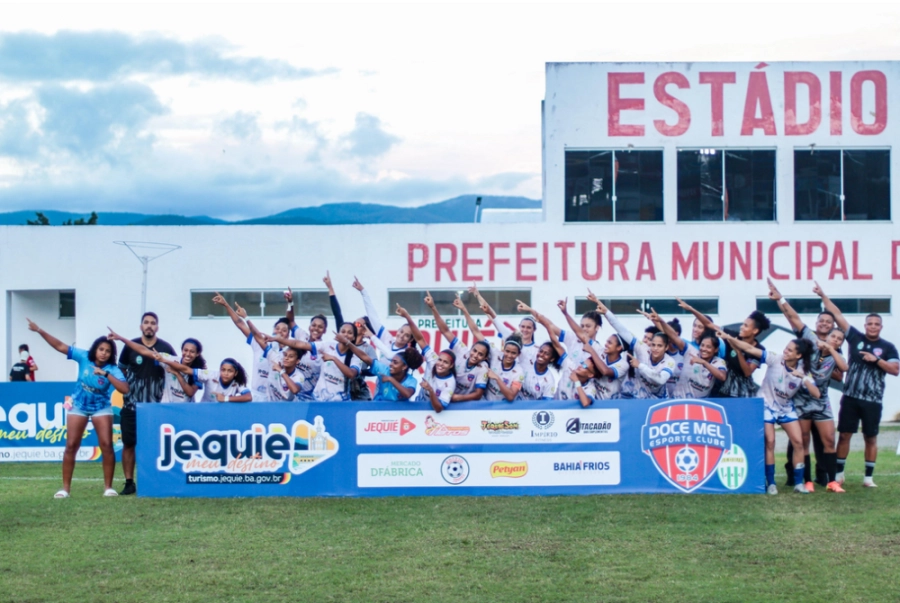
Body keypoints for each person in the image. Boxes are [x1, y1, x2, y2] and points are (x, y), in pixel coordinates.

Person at [27, 319, 128, 498]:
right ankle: (65, 489)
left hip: (101, 407)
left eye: (108, 351)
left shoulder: (113, 369)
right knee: (71, 445)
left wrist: (106, 374)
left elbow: (125, 389)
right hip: (78, 406)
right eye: (101, 349)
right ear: (95, 349)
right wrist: (39, 330)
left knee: (106, 445)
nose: (104, 353)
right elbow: (60, 346)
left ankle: (108, 488)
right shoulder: (84, 357)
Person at [814, 281, 899, 488]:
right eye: (870, 323)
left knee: (871, 437)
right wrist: (823, 296)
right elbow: (837, 314)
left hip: (873, 400)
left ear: (881, 327)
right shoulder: (855, 338)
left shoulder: (888, 347)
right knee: (844, 435)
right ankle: (839, 474)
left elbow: (895, 370)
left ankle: (868, 478)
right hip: (850, 397)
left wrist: (876, 360)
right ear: (865, 325)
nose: (873, 326)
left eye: (876, 324)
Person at [768, 279, 848, 493]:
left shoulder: (836, 352)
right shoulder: (809, 338)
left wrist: (831, 350)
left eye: (837, 336)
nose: (826, 325)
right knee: (800, 441)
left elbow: (843, 369)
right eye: (822, 321)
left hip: (821, 401)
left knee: (828, 440)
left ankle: (830, 481)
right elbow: (794, 318)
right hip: (801, 400)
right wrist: (780, 299)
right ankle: (805, 481)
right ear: (818, 324)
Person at [719, 330, 819, 495]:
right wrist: (729, 338)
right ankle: (771, 483)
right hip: (766, 405)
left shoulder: (803, 370)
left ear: (799, 355)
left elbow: (817, 394)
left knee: (799, 442)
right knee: (770, 442)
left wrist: (803, 378)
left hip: (785, 408)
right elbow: (750, 349)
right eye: (786, 348)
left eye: (789, 350)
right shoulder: (774, 358)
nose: (785, 351)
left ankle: (798, 483)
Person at [117, 312, 176, 496]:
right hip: (131, 405)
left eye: (153, 323)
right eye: (146, 322)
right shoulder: (130, 347)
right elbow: (121, 370)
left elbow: (174, 370)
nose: (149, 325)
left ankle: (156, 481)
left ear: (157, 327)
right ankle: (129, 483)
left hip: (156, 407)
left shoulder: (165, 347)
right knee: (129, 444)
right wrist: (131, 387)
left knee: (156, 445)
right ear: (141, 326)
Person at [679, 299, 769, 398]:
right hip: (725, 388)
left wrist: (738, 351)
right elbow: (709, 324)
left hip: (743, 392)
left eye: (746, 326)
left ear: (755, 331)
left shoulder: (758, 349)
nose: (741, 327)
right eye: (743, 324)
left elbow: (747, 372)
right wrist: (691, 309)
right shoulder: (732, 335)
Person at [597, 300, 676, 399]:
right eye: (653, 345)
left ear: (666, 347)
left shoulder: (670, 362)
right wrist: (606, 312)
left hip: (659, 401)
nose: (655, 348)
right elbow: (623, 331)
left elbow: (661, 380)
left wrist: (640, 365)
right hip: (639, 400)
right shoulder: (643, 348)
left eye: (659, 346)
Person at [423, 292, 489, 403]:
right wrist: (433, 307)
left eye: (480, 354)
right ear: (471, 348)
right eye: (474, 351)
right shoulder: (462, 350)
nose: (475, 355)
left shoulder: (483, 367)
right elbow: (445, 331)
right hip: (444, 400)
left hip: (465, 405)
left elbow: (478, 394)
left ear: (484, 358)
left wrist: (457, 398)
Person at [107, 330, 203, 403]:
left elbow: (190, 393)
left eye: (192, 351)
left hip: (185, 410)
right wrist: (121, 338)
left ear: (197, 353)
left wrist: (177, 374)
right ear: (181, 350)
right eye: (185, 350)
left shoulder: (198, 371)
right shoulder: (170, 359)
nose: (188, 354)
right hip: (167, 408)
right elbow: (143, 350)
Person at [652, 312, 727, 398]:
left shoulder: (719, 361)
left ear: (716, 349)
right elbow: (673, 336)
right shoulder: (691, 351)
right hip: (679, 400)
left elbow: (722, 377)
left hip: (700, 403)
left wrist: (704, 362)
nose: (704, 349)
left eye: (708, 347)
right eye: (702, 345)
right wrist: (660, 321)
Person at [340, 334, 423, 401]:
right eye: (391, 361)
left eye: (395, 362)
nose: (391, 364)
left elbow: (408, 394)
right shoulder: (384, 370)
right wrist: (348, 343)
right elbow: (365, 357)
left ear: (404, 367)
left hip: (400, 413)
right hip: (379, 409)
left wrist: (391, 379)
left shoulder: (411, 381)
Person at [159, 356, 252, 403]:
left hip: (222, 414)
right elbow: (187, 369)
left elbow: (248, 397)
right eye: (223, 370)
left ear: (235, 373)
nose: (226, 373)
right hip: (204, 412)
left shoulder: (237, 382)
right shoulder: (210, 375)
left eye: (230, 371)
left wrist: (225, 398)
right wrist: (165, 360)